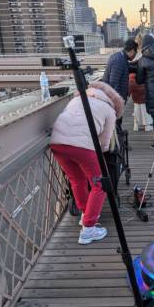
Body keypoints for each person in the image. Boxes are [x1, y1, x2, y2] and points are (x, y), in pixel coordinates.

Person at [50, 82, 124, 245]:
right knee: (100, 184)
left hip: (57, 143)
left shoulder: (76, 100)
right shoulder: (109, 109)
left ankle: (85, 215)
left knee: (77, 180)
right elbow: (104, 142)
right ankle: (88, 230)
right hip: (82, 147)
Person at [129, 34, 153, 132]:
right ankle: (147, 125)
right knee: (144, 104)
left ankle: (136, 124)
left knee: (136, 103)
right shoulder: (145, 53)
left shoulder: (133, 53)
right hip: (142, 80)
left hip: (132, 80)